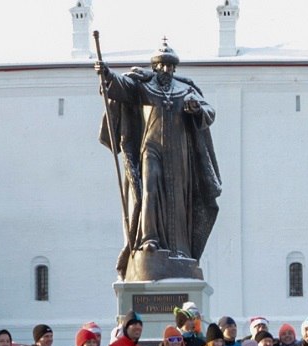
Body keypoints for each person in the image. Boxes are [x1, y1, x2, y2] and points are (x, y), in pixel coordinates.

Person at [95, 40, 221, 279]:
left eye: (170, 66)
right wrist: (107, 74)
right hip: (150, 148)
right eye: (161, 65)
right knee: (149, 188)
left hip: (179, 154)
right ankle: (149, 239)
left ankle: (180, 249)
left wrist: (196, 108)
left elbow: (209, 111)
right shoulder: (143, 86)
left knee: (179, 200)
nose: (166, 70)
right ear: (155, 66)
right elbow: (121, 86)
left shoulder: (185, 89)